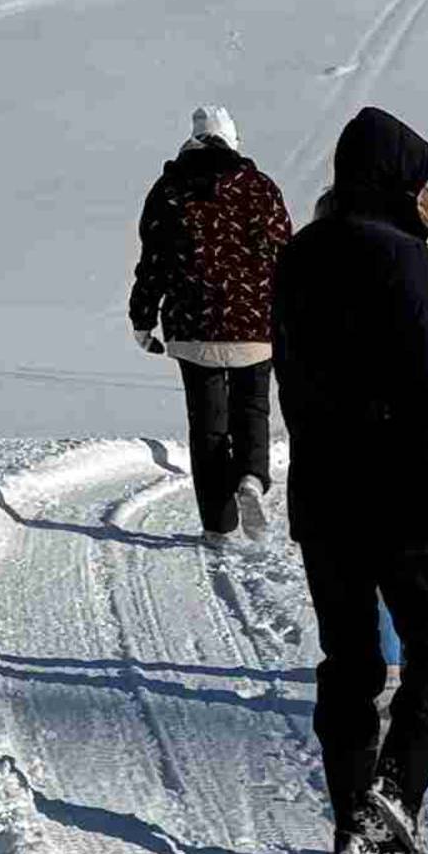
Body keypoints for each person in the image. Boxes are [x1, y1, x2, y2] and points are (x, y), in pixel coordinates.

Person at [272, 105, 428, 854]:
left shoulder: (297, 255)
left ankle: (354, 827)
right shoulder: (403, 257)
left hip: (325, 495)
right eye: (418, 180)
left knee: (349, 665)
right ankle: (394, 795)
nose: (423, 194)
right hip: (412, 492)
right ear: (394, 181)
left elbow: (290, 382)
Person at [125, 104, 292, 537]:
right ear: (233, 140)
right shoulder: (260, 188)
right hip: (255, 323)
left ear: (194, 138)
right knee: (253, 409)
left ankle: (218, 526)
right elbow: (284, 255)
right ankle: (252, 479)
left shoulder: (169, 189)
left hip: (191, 322)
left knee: (207, 425)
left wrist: (142, 320)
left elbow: (154, 262)